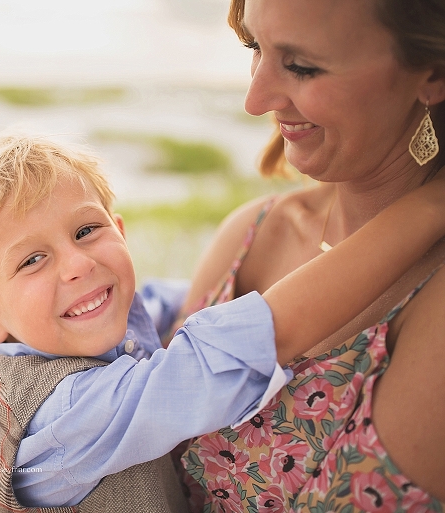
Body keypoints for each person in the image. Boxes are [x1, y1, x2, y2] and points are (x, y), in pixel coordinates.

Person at [0, 133, 445, 512]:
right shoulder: (67, 419)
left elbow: (170, 306)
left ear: (119, 231)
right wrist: (429, 206)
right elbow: (231, 351)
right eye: (31, 260)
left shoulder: (89, 320)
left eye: (85, 230)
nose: (78, 264)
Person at [175, 0, 445, 511]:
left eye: (302, 66)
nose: (255, 100)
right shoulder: (253, 234)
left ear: (431, 74)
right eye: (255, 47)